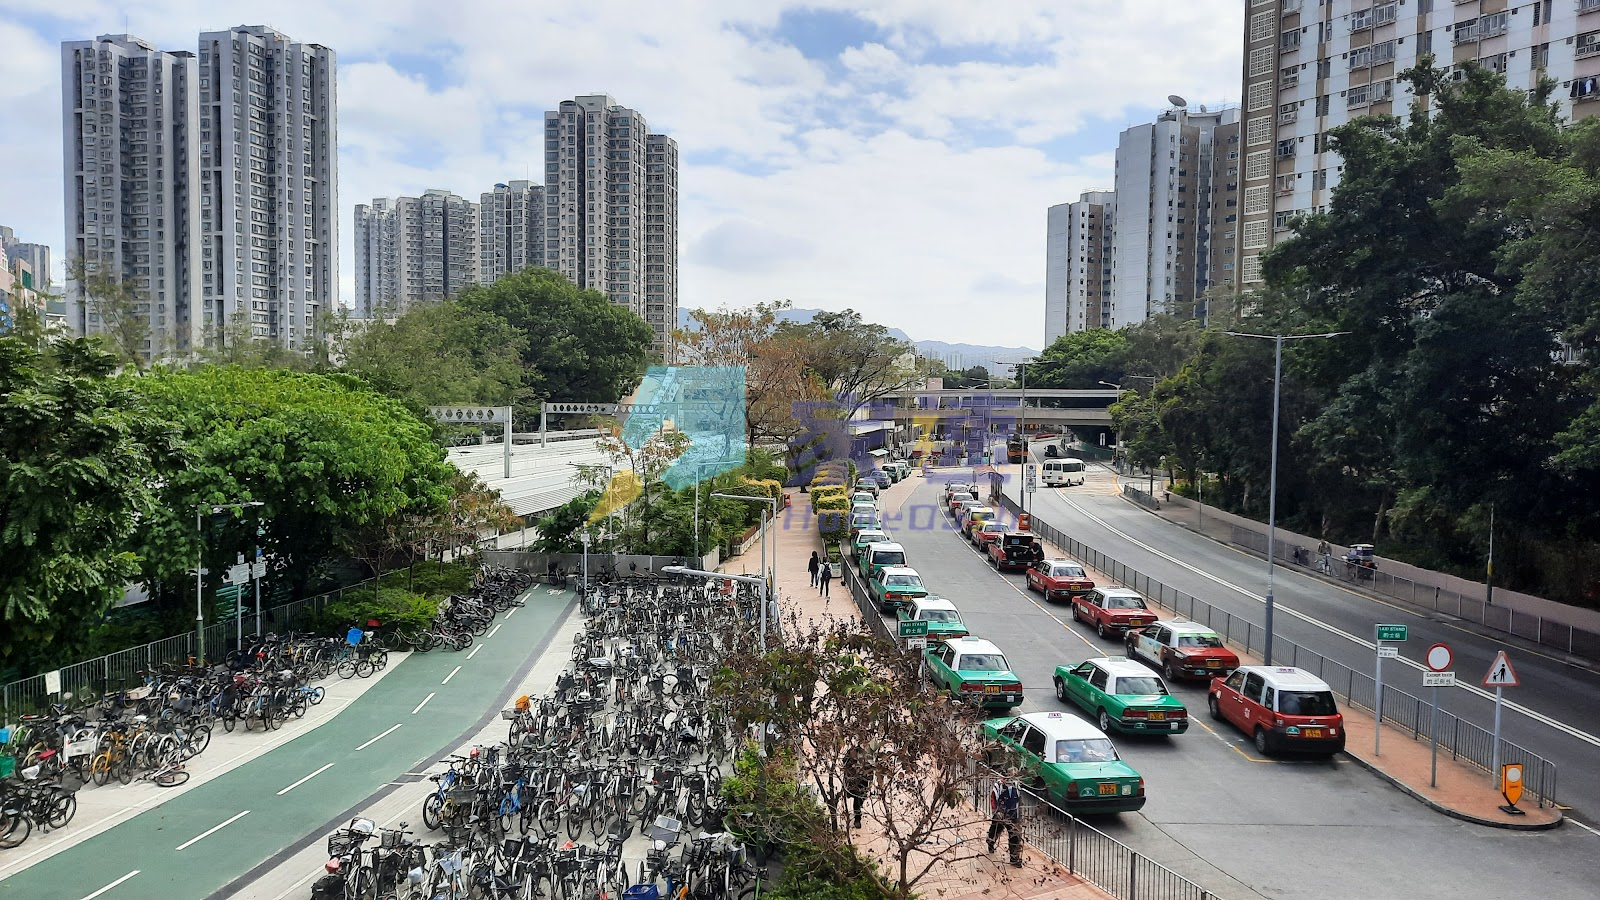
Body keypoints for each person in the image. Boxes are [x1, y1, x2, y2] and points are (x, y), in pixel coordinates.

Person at [987, 770, 1024, 867]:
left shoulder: (1016, 785)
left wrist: (1019, 816)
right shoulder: (999, 785)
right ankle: (990, 842)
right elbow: (993, 798)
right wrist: (996, 811)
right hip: (1001, 813)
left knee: (1015, 836)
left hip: (1013, 814)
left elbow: (1019, 800)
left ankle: (1014, 859)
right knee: (995, 830)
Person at [842, 746, 870, 828]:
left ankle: (858, 815)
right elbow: (844, 763)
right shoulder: (850, 753)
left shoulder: (865, 754)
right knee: (856, 800)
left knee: (860, 799)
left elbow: (870, 768)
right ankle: (857, 819)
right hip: (852, 781)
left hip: (862, 781)